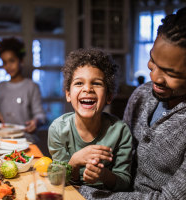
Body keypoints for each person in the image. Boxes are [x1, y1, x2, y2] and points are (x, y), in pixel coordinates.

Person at [79, 5, 186, 200]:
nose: (155, 77)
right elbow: (123, 161)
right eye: (153, 61)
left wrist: (90, 195)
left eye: (171, 73)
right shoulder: (141, 95)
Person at [48, 48, 132, 191]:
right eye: (79, 83)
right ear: (68, 94)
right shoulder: (58, 129)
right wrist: (74, 162)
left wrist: (103, 175)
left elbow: (124, 182)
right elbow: (56, 180)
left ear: (109, 96)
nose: (88, 89)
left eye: (97, 83)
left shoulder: (121, 131)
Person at [0, 37, 46, 139]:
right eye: (4, 62)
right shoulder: (0, 87)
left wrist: (36, 122)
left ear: (21, 61)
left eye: (12, 61)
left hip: (26, 140)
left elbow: (41, 116)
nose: (8, 66)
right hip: (3, 140)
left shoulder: (32, 87)